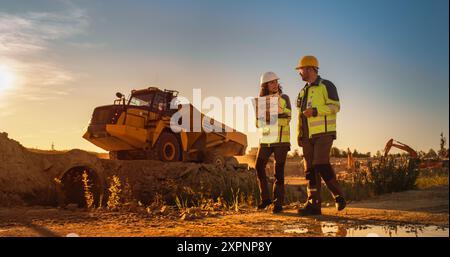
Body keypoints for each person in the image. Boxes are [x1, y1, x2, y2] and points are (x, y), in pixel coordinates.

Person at [295, 56, 346, 216]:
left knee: (321, 163)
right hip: (307, 136)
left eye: (301, 69)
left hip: (324, 132)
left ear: (310, 69)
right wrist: (299, 134)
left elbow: (336, 106)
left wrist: (316, 111)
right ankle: (314, 204)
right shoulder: (302, 91)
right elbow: (300, 116)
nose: (299, 73)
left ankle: (338, 196)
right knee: (310, 170)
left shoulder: (327, 85)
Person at [255, 71, 291, 214]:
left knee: (279, 172)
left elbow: (288, 118)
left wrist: (273, 118)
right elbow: (257, 123)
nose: (275, 84)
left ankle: (278, 203)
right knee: (258, 166)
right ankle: (265, 199)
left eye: (276, 81)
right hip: (265, 140)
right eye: (271, 82)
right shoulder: (261, 102)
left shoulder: (284, 98)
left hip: (281, 141)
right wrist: (265, 119)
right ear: (265, 85)